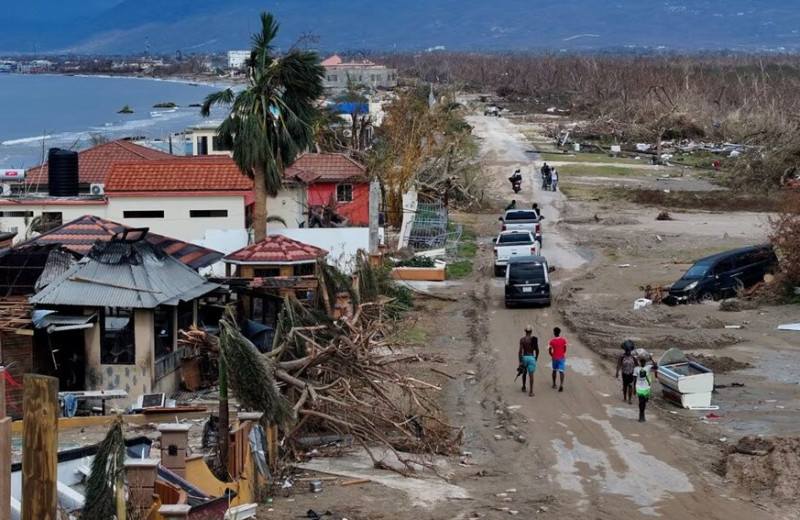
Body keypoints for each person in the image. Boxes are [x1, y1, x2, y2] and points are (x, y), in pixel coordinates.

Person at [634, 352, 658, 422]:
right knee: (641, 401)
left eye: (643, 362)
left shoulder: (648, 367)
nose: (642, 363)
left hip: (646, 387)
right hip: (639, 386)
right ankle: (640, 415)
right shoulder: (636, 369)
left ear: (645, 362)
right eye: (641, 362)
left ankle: (643, 413)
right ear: (640, 362)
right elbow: (634, 379)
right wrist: (634, 389)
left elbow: (656, 367)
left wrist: (651, 359)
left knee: (644, 402)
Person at [518, 324, 539, 396]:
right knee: (531, 374)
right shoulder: (534, 339)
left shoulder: (522, 340)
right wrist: (536, 358)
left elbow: (520, 351)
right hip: (531, 357)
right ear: (531, 331)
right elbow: (537, 350)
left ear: (525, 331)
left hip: (525, 357)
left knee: (524, 373)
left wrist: (520, 361)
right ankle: (531, 391)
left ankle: (524, 387)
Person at [548, 327, 567, 392]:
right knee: (561, 371)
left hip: (555, 358)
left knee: (554, 371)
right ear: (559, 332)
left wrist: (552, 355)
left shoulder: (552, 341)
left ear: (554, 333)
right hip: (561, 357)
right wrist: (561, 354)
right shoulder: (563, 340)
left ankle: (554, 384)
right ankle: (561, 385)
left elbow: (550, 351)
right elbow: (564, 349)